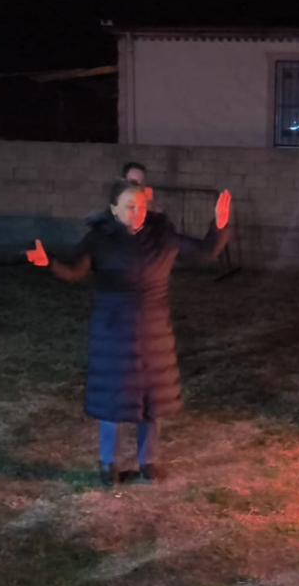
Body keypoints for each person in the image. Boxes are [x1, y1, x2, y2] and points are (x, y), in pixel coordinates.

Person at [27, 181, 231, 486]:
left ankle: (148, 461)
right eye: (129, 207)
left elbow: (205, 253)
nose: (137, 213)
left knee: (151, 401)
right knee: (113, 398)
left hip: (154, 331)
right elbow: (75, 271)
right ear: (113, 210)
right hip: (112, 330)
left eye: (141, 207)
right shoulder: (100, 239)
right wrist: (50, 264)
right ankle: (107, 462)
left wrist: (220, 223)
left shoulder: (162, 236)